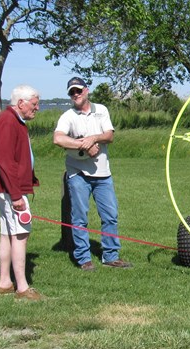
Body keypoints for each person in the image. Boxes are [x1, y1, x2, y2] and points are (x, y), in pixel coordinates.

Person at [53, 77, 132, 271]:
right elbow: (58, 139)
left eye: (78, 90)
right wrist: (84, 145)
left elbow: (109, 135)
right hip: (78, 173)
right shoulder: (68, 116)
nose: (75, 95)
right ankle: (83, 259)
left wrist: (94, 138)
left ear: (86, 91)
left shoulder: (101, 110)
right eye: (71, 92)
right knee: (79, 217)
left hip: (103, 174)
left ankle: (111, 256)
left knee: (110, 215)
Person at [0, 85, 42, 301]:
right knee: (20, 235)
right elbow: (4, 161)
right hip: (11, 190)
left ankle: (4, 282)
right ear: (21, 103)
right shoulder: (9, 121)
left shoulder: (12, 120)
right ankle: (22, 287)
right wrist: (17, 195)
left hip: (9, 189)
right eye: (34, 104)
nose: (37, 108)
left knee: (7, 233)